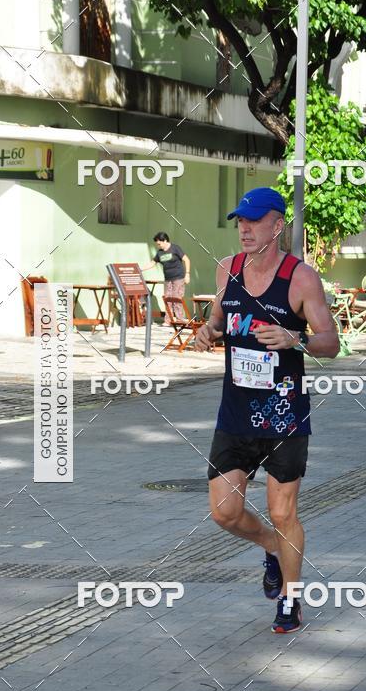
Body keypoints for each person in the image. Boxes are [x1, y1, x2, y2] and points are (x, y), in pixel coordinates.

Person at [194, 187, 340, 633]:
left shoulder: (301, 279)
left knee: (283, 513)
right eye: (240, 220)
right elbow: (219, 320)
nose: (244, 228)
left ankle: (291, 602)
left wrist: (296, 339)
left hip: (284, 414)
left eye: (255, 221)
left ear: (278, 225)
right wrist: (208, 333)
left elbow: (331, 343)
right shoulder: (228, 270)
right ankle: (274, 550)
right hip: (236, 412)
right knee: (225, 512)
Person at [141, 232, 191, 323]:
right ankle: (168, 320)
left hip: (178, 278)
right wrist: (141, 269)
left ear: (165, 241)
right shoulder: (160, 253)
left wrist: (187, 274)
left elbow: (186, 260)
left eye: (159, 244)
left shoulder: (175, 248)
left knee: (177, 298)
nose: (158, 246)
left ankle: (180, 319)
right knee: (167, 299)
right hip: (168, 279)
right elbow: (153, 263)